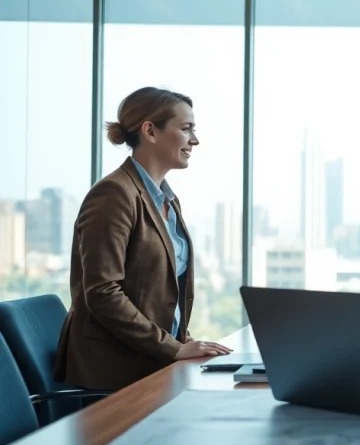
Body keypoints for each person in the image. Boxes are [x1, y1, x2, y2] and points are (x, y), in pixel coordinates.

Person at [54, 87, 231, 392]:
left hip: (152, 360)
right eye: (186, 128)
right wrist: (171, 347)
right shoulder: (114, 194)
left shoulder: (167, 200)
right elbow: (102, 291)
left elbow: (153, 289)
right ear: (150, 130)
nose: (195, 140)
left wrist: (181, 341)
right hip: (114, 372)